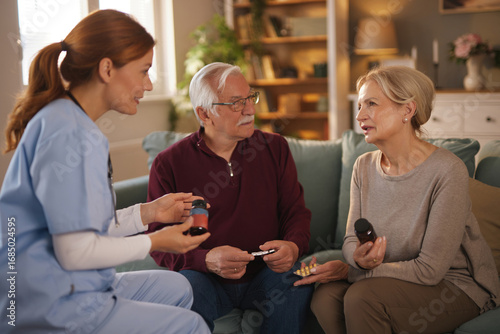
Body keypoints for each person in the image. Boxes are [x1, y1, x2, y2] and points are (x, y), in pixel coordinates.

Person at [0, 10, 211, 334]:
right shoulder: (70, 135)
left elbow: (81, 225)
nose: (149, 84)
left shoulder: (67, 119)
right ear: (107, 68)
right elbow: (74, 252)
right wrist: (154, 241)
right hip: (45, 302)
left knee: (180, 288)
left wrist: (148, 212)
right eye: (143, 71)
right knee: (193, 326)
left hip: (60, 282)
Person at [294, 66, 499, 333]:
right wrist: (358, 258)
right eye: (359, 105)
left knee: (361, 297)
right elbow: (349, 241)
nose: (359, 115)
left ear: (407, 110)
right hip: (389, 280)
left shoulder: (447, 171)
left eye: (371, 104)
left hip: (454, 285)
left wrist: (350, 271)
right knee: (326, 297)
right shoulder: (363, 166)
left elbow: (430, 270)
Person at [146, 62, 314, 333]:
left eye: (250, 97)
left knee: (296, 277)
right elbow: (159, 242)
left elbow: (296, 212)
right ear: (205, 113)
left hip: (265, 274)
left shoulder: (275, 148)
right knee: (183, 288)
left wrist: (293, 246)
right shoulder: (169, 164)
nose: (250, 109)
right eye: (236, 103)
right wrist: (206, 260)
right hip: (204, 278)